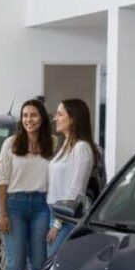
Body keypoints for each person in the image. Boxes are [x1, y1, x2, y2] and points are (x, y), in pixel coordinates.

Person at [0, 100, 54, 270]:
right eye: (25, 115)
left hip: (43, 206)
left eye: (34, 115)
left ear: (42, 118)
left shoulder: (53, 143)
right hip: (15, 206)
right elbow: (2, 180)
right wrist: (2, 214)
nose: (29, 119)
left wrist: (56, 219)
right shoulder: (10, 144)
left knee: (39, 264)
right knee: (15, 265)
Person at [47, 99, 98, 255]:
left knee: (51, 265)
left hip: (66, 218)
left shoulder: (81, 148)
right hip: (55, 212)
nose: (55, 118)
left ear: (73, 118)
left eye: (60, 114)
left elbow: (76, 190)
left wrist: (57, 224)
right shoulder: (66, 144)